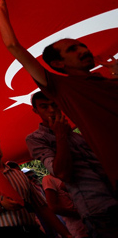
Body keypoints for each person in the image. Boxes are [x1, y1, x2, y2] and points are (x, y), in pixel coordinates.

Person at [0, 0, 118, 189]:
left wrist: (115, 72)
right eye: (72, 49)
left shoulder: (106, 82)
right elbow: (14, 47)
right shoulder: (63, 87)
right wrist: (0, 12)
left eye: (83, 46)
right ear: (57, 63)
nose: (83, 50)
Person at [25, 92, 117, 238]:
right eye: (44, 107)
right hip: (96, 208)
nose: (51, 110)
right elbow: (62, 174)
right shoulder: (36, 139)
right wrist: (60, 135)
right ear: (35, 111)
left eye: (54, 105)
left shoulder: (76, 134)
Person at [0, 134, 71, 238]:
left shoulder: (19, 174)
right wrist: (1, 205)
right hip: (5, 232)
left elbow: (41, 206)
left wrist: (66, 233)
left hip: (32, 228)